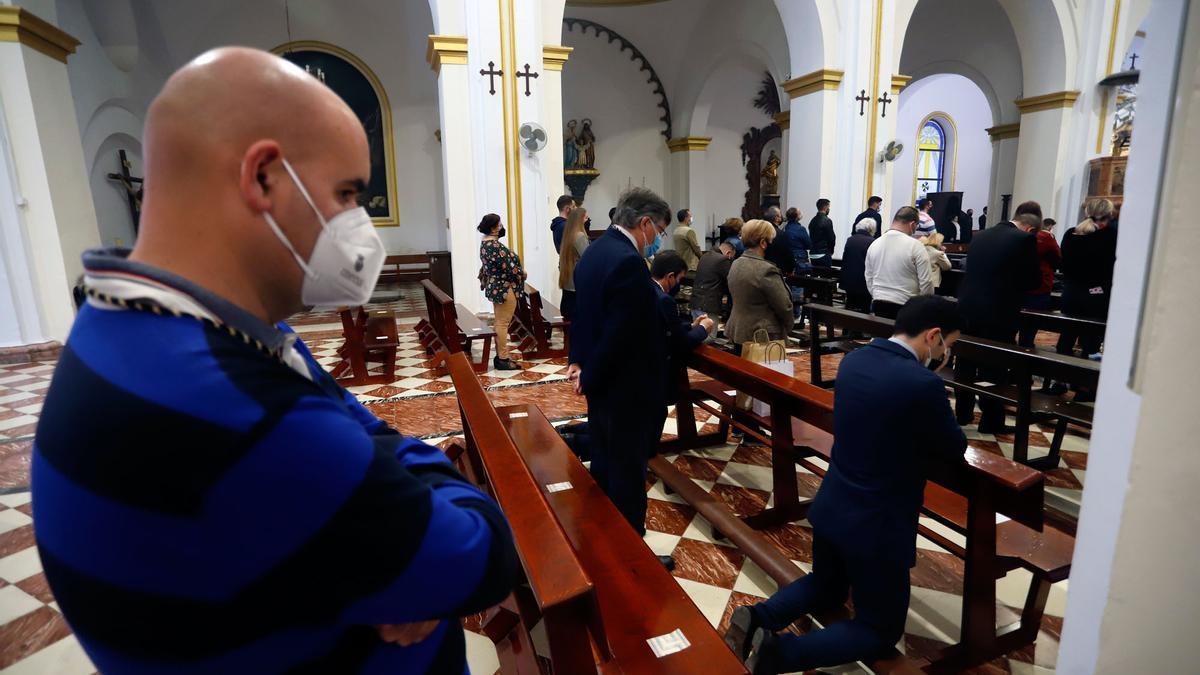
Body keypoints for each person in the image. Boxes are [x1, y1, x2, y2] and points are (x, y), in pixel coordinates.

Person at [31, 47, 519, 674]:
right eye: (346, 193)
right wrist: (432, 510)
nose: (357, 223)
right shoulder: (233, 404)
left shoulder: (148, 328)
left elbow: (358, 428)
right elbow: (482, 558)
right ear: (263, 176)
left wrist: (383, 482)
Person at [727, 296, 967, 674]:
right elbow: (954, 447)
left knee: (825, 583)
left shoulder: (855, 360)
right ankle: (780, 653)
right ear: (933, 336)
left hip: (833, 503)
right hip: (878, 526)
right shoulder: (923, 384)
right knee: (879, 629)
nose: (944, 354)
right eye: (947, 345)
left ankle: (756, 617)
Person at [566, 187, 676, 568]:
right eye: (659, 229)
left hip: (603, 382)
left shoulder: (595, 250)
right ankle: (632, 558)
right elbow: (620, 333)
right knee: (628, 470)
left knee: (606, 460)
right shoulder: (629, 261)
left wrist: (579, 362)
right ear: (644, 223)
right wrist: (590, 373)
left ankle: (606, 540)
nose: (658, 238)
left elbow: (584, 316)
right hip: (626, 386)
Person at [955, 211, 1041, 432]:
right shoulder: (1024, 239)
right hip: (999, 310)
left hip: (967, 307)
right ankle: (991, 420)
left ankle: (962, 414)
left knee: (965, 359)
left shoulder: (981, 235)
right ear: (1031, 229)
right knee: (994, 366)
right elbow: (1034, 279)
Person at [1056, 199, 1117, 359]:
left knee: (1067, 336)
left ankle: (1059, 380)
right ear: (1110, 214)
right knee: (1091, 341)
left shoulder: (1071, 233)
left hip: (1070, 293)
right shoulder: (1112, 235)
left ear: (1086, 212)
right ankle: (1082, 381)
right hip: (1097, 295)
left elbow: (1063, 265)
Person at [651, 251, 715, 397]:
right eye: (679, 279)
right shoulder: (664, 300)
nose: (678, 284)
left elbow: (667, 326)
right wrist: (703, 328)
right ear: (670, 276)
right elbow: (682, 342)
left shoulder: (647, 288)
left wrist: (692, 326)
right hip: (660, 369)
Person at [724, 219, 793, 346]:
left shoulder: (736, 263)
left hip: (738, 330)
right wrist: (788, 326)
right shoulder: (766, 269)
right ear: (763, 243)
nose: (773, 244)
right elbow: (784, 306)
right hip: (761, 336)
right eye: (771, 240)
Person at [863, 207, 934, 318]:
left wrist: (877, 294)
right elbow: (927, 282)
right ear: (912, 224)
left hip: (879, 303)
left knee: (883, 334)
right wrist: (924, 306)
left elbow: (869, 277)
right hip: (906, 305)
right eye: (917, 226)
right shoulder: (915, 246)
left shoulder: (874, 244)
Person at [479, 214, 526, 371]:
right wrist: (522, 273)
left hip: (496, 287)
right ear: (493, 228)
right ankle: (503, 359)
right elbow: (510, 267)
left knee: (500, 322)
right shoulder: (494, 246)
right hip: (505, 289)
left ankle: (501, 356)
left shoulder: (484, 244)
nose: (501, 227)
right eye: (499, 225)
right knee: (502, 323)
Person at [1018, 216, 1062, 347]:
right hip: (1041, 283)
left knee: (1021, 319)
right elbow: (1058, 259)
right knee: (1033, 321)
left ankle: (1021, 343)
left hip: (1022, 283)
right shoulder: (1047, 238)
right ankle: (1027, 344)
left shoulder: (1023, 235)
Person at [692, 242, 736, 330]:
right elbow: (731, 280)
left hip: (695, 302)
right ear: (728, 253)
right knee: (709, 337)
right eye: (731, 257)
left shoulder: (705, 256)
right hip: (708, 305)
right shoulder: (723, 259)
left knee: (697, 333)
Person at [557, 206, 590, 321]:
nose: (588, 221)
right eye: (586, 219)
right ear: (579, 220)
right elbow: (587, 257)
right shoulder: (579, 236)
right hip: (577, 279)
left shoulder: (568, 234)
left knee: (568, 302)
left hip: (567, 278)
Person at [782, 207, 812, 322]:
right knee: (798, 286)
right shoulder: (800, 229)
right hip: (799, 260)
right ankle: (796, 314)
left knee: (788, 286)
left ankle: (789, 313)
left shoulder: (785, 228)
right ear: (797, 216)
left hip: (787, 259)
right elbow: (808, 244)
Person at [840, 219, 875, 313]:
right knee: (864, 307)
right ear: (871, 229)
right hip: (863, 281)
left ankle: (847, 326)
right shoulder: (872, 241)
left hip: (849, 279)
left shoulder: (850, 239)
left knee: (850, 304)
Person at [763, 206, 797, 277]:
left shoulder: (760, 231)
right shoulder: (781, 234)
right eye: (780, 215)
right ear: (776, 218)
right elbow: (788, 254)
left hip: (761, 270)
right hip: (777, 271)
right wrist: (790, 270)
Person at [808, 199, 836, 268]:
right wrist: (831, 251)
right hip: (823, 254)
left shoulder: (812, 220)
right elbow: (831, 238)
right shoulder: (827, 221)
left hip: (813, 254)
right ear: (825, 207)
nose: (829, 209)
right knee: (826, 276)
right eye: (829, 207)